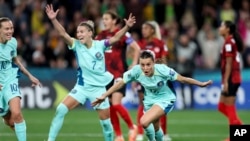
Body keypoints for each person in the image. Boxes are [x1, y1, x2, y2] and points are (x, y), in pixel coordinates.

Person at [45, 4, 136, 141]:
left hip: (99, 90)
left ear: (90, 33)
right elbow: (63, 34)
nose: (79, 34)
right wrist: (53, 20)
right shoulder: (76, 45)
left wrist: (127, 26)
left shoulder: (100, 45)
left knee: (106, 124)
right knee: (60, 110)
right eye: (78, 32)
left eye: (82, 31)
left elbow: (116, 38)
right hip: (81, 88)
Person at [92, 50, 213, 141]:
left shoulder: (163, 70)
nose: (145, 68)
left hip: (166, 99)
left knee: (144, 122)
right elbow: (120, 83)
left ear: (154, 63)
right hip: (149, 101)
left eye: (148, 64)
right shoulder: (136, 71)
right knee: (155, 129)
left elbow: (182, 79)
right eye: (142, 65)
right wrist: (104, 95)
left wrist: (200, 84)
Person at [95, 10, 140, 141]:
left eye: (107, 19)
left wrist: (134, 64)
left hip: (119, 73)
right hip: (105, 75)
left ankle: (132, 127)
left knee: (115, 103)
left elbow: (136, 48)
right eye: (103, 19)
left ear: (114, 20)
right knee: (109, 106)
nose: (104, 21)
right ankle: (119, 136)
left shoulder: (122, 34)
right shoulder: (101, 35)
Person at [0, 17, 42, 141]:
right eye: (6, 29)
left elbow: (16, 61)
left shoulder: (13, 42)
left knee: (17, 114)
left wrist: (30, 76)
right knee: (10, 121)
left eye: (11, 28)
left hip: (10, 80)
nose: (10, 31)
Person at [135, 21, 170, 141]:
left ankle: (164, 134)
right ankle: (139, 133)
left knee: (161, 107)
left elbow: (164, 62)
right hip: (142, 79)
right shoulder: (139, 44)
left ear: (152, 31)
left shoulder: (160, 44)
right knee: (142, 104)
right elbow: (135, 61)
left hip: (157, 80)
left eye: (146, 28)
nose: (143, 30)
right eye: (142, 28)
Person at [218, 20, 244, 141]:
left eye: (222, 26)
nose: (219, 28)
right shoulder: (230, 41)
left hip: (231, 79)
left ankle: (236, 135)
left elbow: (229, 64)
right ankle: (240, 128)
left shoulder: (229, 42)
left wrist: (226, 82)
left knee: (229, 107)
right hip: (231, 78)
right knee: (221, 106)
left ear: (228, 29)